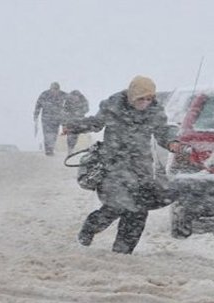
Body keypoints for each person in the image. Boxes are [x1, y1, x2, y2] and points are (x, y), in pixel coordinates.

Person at [63, 75, 184, 254]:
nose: (145, 102)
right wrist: (73, 126)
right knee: (116, 205)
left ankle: (123, 251)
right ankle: (90, 227)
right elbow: (95, 123)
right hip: (113, 166)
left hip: (140, 169)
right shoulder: (113, 106)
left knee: (138, 210)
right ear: (132, 96)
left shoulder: (155, 112)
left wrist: (172, 141)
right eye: (141, 98)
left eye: (149, 99)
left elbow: (163, 130)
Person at [34, 82, 67, 156]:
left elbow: (72, 99)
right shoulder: (44, 95)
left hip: (57, 118)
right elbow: (38, 105)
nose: (55, 91)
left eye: (56, 90)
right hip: (46, 118)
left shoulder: (63, 94)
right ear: (50, 89)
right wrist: (36, 115)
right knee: (47, 134)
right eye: (53, 89)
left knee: (54, 134)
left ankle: (51, 148)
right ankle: (48, 150)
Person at [62, 90, 89, 154]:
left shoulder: (84, 101)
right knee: (70, 135)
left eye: (76, 97)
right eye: (73, 97)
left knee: (76, 134)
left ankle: (75, 148)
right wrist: (64, 123)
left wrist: (79, 112)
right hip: (70, 121)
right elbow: (64, 111)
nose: (75, 99)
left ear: (79, 97)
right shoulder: (68, 102)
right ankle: (70, 149)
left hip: (80, 120)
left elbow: (86, 109)